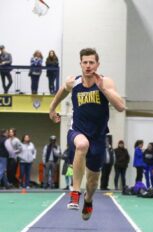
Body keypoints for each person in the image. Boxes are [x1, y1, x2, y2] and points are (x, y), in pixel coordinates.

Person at [49, 47, 125, 220]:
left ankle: (88, 199)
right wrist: (52, 108)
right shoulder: (73, 82)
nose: (88, 66)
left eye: (92, 62)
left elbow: (120, 107)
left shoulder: (105, 82)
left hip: (98, 137)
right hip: (77, 131)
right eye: (85, 62)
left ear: (97, 64)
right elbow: (62, 91)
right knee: (82, 145)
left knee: (92, 182)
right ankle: (75, 192)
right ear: (80, 64)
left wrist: (103, 89)